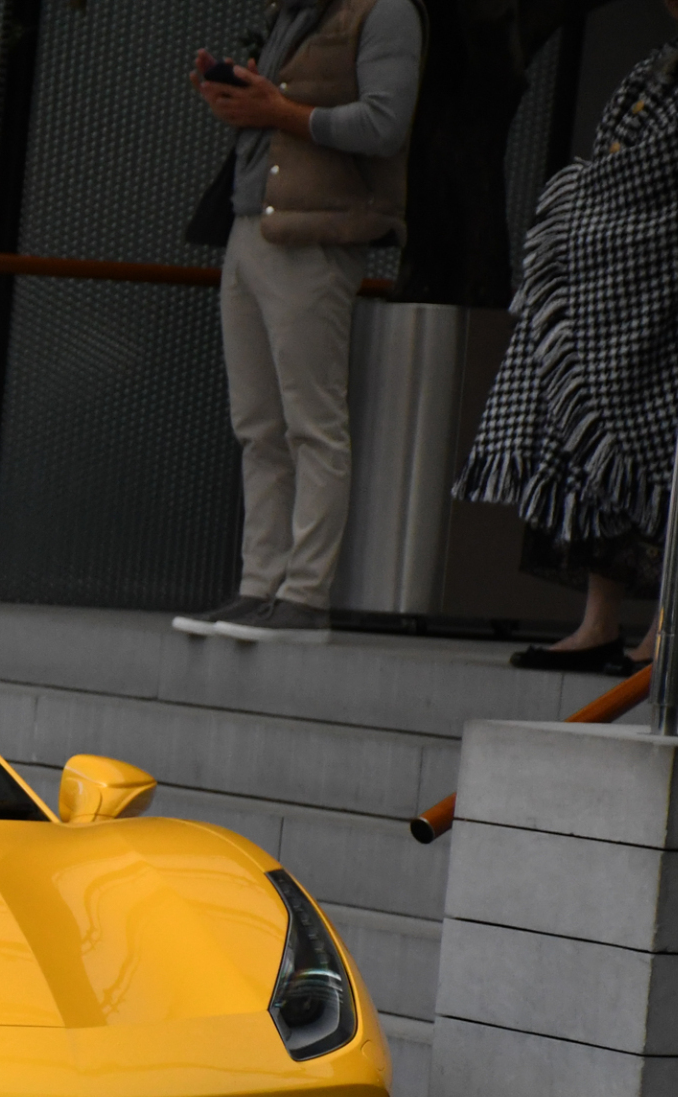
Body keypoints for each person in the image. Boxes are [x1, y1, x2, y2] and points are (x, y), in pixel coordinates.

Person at [170, 0, 426, 646]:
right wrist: (236, 95)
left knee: (313, 422)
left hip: (315, 235)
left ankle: (306, 596)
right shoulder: (296, 14)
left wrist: (276, 110)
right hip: (251, 223)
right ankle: (260, 585)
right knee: (257, 424)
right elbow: (279, 110)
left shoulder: (386, 11)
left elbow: (385, 124)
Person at [457, 0, 678, 672]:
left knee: (669, 459)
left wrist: (578, 208)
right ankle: (598, 622)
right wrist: (585, 216)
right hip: (617, 290)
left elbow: (659, 186)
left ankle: (669, 630)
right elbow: (613, 170)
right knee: (590, 443)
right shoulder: (656, 68)